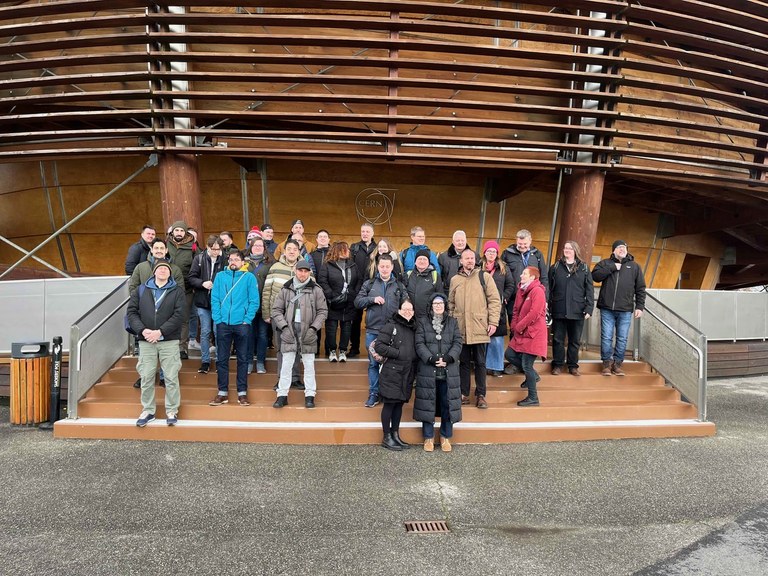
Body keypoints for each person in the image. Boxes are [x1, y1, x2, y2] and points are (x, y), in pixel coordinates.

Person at [126, 261, 185, 427]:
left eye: (166, 269)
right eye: (160, 268)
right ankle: (148, 410)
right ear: (154, 272)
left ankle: (172, 409)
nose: (163, 271)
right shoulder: (141, 290)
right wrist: (143, 330)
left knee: (171, 376)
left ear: (170, 272)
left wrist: (160, 332)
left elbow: (179, 315)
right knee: (146, 376)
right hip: (146, 340)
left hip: (169, 339)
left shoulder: (177, 291)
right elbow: (132, 312)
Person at [128, 238, 185, 388]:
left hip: (166, 325)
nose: (159, 250)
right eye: (156, 248)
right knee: (146, 363)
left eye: (162, 248)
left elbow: (179, 293)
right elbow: (133, 286)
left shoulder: (175, 269)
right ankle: (145, 378)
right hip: (145, 322)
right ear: (151, 250)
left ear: (166, 251)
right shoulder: (141, 267)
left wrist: (160, 331)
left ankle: (163, 377)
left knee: (168, 363)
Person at [271, 260, 328, 408]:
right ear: (295, 271)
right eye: (300, 271)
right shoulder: (286, 289)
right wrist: (283, 327)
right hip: (289, 331)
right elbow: (276, 310)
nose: (303, 274)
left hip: (308, 331)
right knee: (286, 365)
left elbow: (323, 311)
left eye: (306, 271)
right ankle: (282, 395)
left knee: (309, 366)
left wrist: (314, 329)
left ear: (309, 272)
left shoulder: (316, 290)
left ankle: (310, 395)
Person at [448, 249, 501, 409]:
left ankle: (481, 395)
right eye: (466, 258)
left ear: (476, 260)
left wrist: (493, 322)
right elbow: (450, 303)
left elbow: (494, 301)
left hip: (479, 327)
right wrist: (452, 322)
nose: (469, 260)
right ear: (461, 261)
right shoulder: (455, 279)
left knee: (480, 362)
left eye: (472, 258)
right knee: (463, 362)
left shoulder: (484, 277)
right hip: (461, 328)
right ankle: (464, 393)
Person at [355, 254, 406, 408]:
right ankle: (374, 393)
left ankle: (388, 393)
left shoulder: (399, 286)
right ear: (378, 267)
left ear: (392, 267)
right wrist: (372, 299)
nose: (384, 269)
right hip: (373, 331)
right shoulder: (369, 284)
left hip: (393, 332)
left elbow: (406, 305)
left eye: (387, 266)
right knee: (373, 363)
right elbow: (357, 302)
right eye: (382, 266)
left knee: (392, 364)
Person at [414, 293, 463, 452]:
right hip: (429, 370)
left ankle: (445, 437)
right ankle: (428, 437)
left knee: (446, 405)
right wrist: (430, 358)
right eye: (435, 303)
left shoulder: (452, 322)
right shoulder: (422, 322)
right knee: (427, 405)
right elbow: (419, 343)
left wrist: (449, 358)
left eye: (440, 303)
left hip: (448, 372)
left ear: (445, 305)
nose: (438, 306)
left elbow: (457, 342)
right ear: (431, 306)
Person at [209, 250, 259, 406]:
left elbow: (254, 301)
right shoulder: (220, 276)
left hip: (241, 324)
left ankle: (242, 392)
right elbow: (215, 298)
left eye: (237, 259)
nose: (233, 262)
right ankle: (222, 392)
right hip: (223, 323)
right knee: (222, 359)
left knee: (243, 359)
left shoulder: (249, 277)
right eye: (231, 259)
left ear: (243, 262)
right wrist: (218, 318)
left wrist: (247, 319)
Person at [591, 240, 647, 376]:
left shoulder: (634, 267)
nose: (622, 249)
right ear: (613, 250)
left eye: (624, 247)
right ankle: (606, 364)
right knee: (606, 337)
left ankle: (617, 364)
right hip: (607, 308)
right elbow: (595, 276)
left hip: (625, 309)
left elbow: (640, 288)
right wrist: (612, 268)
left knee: (622, 338)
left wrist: (640, 306)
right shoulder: (605, 263)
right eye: (619, 247)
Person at [373, 298, 417, 451]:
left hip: (407, 373)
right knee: (389, 404)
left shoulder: (414, 328)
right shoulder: (391, 326)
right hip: (392, 372)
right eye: (404, 309)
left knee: (399, 404)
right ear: (399, 311)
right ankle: (386, 436)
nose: (407, 312)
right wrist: (398, 353)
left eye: (410, 309)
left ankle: (395, 434)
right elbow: (379, 346)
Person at [548, 240, 594, 376]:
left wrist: (589, 308)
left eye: (570, 248)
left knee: (574, 340)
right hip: (559, 309)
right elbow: (549, 288)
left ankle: (573, 365)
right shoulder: (555, 267)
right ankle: (557, 364)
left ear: (575, 251)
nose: (567, 250)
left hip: (577, 310)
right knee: (558, 339)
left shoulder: (584, 268)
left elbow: (589, 290)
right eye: (565, 248)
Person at [262, 239, 304, 389]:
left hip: (299, 315)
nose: (292, 251)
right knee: (281, 349)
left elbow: (312, 293)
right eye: (289, 249)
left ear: (299, 251)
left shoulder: (305, 268)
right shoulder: (275, 267)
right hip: (278, 315)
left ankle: (295, 378)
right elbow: (267, 291)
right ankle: (282, 379)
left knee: (297, 348)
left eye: (295, 249)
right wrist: (267, 313)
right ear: (284, 251)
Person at [505, 266, 548, 406]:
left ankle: (533, 397)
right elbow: (516, 310)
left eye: (524, 273)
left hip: (533, 333)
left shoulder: (537, 291)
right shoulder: (521, 290)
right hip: (522, 332)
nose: (521, 275)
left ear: (532, 277)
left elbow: (534, 313)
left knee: (527, 365)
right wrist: (514, 326)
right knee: (510, 354)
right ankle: (534, 376)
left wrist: (519, 326)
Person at [187, 235, 226, 374]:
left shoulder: (224, 259)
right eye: (213, 248)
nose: (216, 251)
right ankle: (205, 361)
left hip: (218, 302)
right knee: (205, 332)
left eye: (218, 249)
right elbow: (191, 277)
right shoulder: (199, 259)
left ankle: (220, 360)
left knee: (218, 331)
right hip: (203, 301)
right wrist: (202, 283)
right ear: (208, 247)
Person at [318, 241, 358, 362]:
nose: (348, 251)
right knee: (331, 328)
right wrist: (331, 295)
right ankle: (331, 350)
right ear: (338, 250)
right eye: (346, 249)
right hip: (333, 302)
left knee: (346, 328)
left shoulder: (352, 265)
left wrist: (353, 294)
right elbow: (322, 281)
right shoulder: (327, 265)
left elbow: (358, 280)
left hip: (349, 302)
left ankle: (342, 351)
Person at [480, 241, 514, 377]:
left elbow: (510, 285)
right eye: (489, 251)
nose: (491, 254)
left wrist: (503, 298)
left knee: (497, 338)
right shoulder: (478, 267)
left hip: (498, 308)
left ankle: (495, 366)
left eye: (494, 251)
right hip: (481, 307)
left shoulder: (503, 267)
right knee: (483, 337)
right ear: (484, 253)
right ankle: (482, 366)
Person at [501, 229, 549, 326]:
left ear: (530, 241)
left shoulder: (537, 254)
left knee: (529, 326)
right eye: (520, 243)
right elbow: (502, 276)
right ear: (516, 241)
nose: (522, 246)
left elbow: (543, 277)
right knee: (514, 327)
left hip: (532, 297)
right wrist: (504, 295)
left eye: (525, 244)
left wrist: (545, 298)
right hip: (513, 298)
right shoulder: (507, 253)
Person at [166, 221, 198, 359]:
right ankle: (167, 345)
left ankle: (181, 348)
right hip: (165, 288)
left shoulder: (193, 248)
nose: (179, 233)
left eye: (181, 231)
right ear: (172, 232)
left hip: (186, 289)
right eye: (176, 230)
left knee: (184, 318)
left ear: (186, 233)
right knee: (166, 316)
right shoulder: (164, 245)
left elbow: (198, 267)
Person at [246, 235, 274, 374]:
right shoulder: (244, 262)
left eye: (260, 246)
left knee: (263, 335)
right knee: (249, 334)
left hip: (264, 305)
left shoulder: (270, 263)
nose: (258, 247)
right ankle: (250, 361)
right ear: (251, 246)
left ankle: (261, 362)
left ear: (264, 248)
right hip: (248, 305)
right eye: (255, 245)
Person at [349, 223, 376, 358]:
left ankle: (376, 348)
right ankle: (354, 347)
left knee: (375, 318)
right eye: (363, 231)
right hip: (357, 288)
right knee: (355, 319)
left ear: (372, 233)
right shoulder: (354, 248)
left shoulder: (378, 248)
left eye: (367, 231)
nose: (364, 233)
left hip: (374, 288)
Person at [405, 248, 443, 317]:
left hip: (428, 316)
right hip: (410, 316)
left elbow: (440, 295)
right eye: (419, 259)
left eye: (424, 259)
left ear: (428, 262)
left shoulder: (434, 275)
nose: (422, 261)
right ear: (415, 262)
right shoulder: (408, 275)